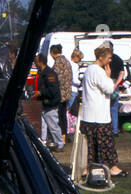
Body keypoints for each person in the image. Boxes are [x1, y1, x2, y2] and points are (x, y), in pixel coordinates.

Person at [81, 45, 125, 177]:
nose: (110, 60)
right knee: (105, 144)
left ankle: (88, 169)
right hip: (99, 116)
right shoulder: (98, 72)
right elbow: (110, 89)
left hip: (89, 114)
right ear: (101, 57)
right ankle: (111, 168)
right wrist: (110, 77)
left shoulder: (89, 70)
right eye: (109, 58)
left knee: (91, 146)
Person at [34, 53, 63, 150]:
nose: (34, 62)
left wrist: (41, 92)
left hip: (50, 103)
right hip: (42, 103)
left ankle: (59, 144)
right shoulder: (40, 72)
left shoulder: (49, 74)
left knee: (53, 125)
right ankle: (43, 142)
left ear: (40, 62)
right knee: (42, 125)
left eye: (36, 61)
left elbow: (53, 89)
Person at [52, 45, 73, 141]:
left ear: (52, 53)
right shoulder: (67, 62)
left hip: (59, 93)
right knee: (63, 115)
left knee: (58, 115)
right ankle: (64, 134)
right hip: (67, 92)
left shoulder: (57, 63)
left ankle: (61, 137)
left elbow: (55, 79)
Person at [107, 47, 126, 135]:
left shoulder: (105, 59)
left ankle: (107, 129)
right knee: (114, 108)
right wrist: (116, 84)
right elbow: (122, 73)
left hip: (107, 82)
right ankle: (114, 130)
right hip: (115, 83)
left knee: (106, 107)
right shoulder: (118, 59)